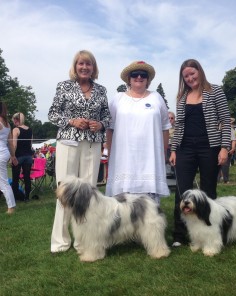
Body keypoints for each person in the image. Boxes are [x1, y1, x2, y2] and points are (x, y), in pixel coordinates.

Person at [48, 50, 111, 253]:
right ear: (75, 66)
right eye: (81, 64)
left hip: (92, 144)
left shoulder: (101, 90)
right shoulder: (64, 86)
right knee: (65, 192)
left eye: (88, 64)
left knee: (89, 193)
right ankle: (60, 242)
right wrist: (71, 121)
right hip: (68, 142)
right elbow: (53, 114)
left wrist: (99, 124)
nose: (84, 67)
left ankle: (83, 241)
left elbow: (108, 118)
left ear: (94, 67)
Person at [169, 59, 231, 247]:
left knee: (208, 191)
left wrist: (224, 147)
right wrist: (173, 149)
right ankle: (179, 235)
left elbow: (226, 120)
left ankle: (210, 231)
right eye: (186, 76)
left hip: (209, 147)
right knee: (182, 192)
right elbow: (178, 126)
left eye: (192, 74)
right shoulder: (181, 97)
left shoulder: (215, 91)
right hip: (185, 148)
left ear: (200, 72)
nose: (190, 78)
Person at [105, 60, 171, 204]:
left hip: (150, 160)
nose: (139, 77)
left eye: (143, 74)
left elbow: (165, 127)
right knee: (122, 206)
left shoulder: (157, 98)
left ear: (148, 79)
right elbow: (110, 128)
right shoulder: (117, 99)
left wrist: (163, 152)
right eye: (135, 74)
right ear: (129, 78)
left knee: (150, 208)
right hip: (123, 159)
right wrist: (109, 153)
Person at [0, 102, 18, 214]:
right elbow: (11, 144)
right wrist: (13, 156)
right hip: (5, 152)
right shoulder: (7, 124)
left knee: (3, 182)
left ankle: (11, 207)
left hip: (0, 153)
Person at [11, 112, 33, 202]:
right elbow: (30, 144)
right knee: (27, 177)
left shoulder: (16, 130)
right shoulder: (30, 129)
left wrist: (12, 156)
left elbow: (14, 145)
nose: (13, 122)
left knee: (15, 178)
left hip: (19, 156)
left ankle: (15, 197)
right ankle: (27, 197)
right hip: (28, 156)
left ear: (16, 120)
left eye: (14, 120)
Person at [218, 117, 236, 183]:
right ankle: (218, 179)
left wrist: (233, 148)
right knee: (218, 165)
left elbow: (233, 140)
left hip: (227, 148)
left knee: (225, 165)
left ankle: (226, 180)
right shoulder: (218, 129)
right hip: (219, 149)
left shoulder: (230, 129)